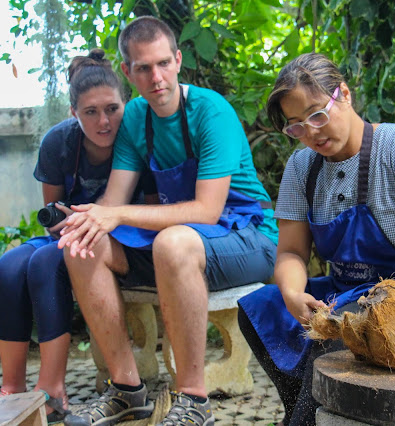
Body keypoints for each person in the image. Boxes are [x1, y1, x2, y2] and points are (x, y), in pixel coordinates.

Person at [57, 16, 278, 426]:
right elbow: (114, 199)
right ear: (128, 72)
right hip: (182, 241)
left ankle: (193, 400)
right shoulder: (136, 119)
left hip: (249, 237)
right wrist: (88, 219)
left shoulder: (211, 112)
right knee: (84, 245)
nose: (155, 77)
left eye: (162, 63)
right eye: (143, 67)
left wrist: (118, 214)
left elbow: (206, 211)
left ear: (178, 60)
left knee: (172, 242)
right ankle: (127, 391)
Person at [237, 53, 395, 426]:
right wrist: (292, 294)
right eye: (297, 126)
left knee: (340, 341)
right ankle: (306, 407)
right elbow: (291, 251)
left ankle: (305, 418)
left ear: (344, 94)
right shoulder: (302, 167)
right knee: (260, 311)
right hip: (349, 291)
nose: (312, 133)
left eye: (317, 115)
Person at [0, 48, 138, 424]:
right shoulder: (58, 143)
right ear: (73, 113)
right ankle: (11, 389)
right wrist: (66, 220)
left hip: (120, 238)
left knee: (44, 262)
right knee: (8, 267)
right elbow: (51, 213)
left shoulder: (137, 136)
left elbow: (149, 206)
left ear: (126, 103)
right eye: (90, 112)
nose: (104, 121)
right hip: (69, 232)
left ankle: (52, 388)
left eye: (111, 109)